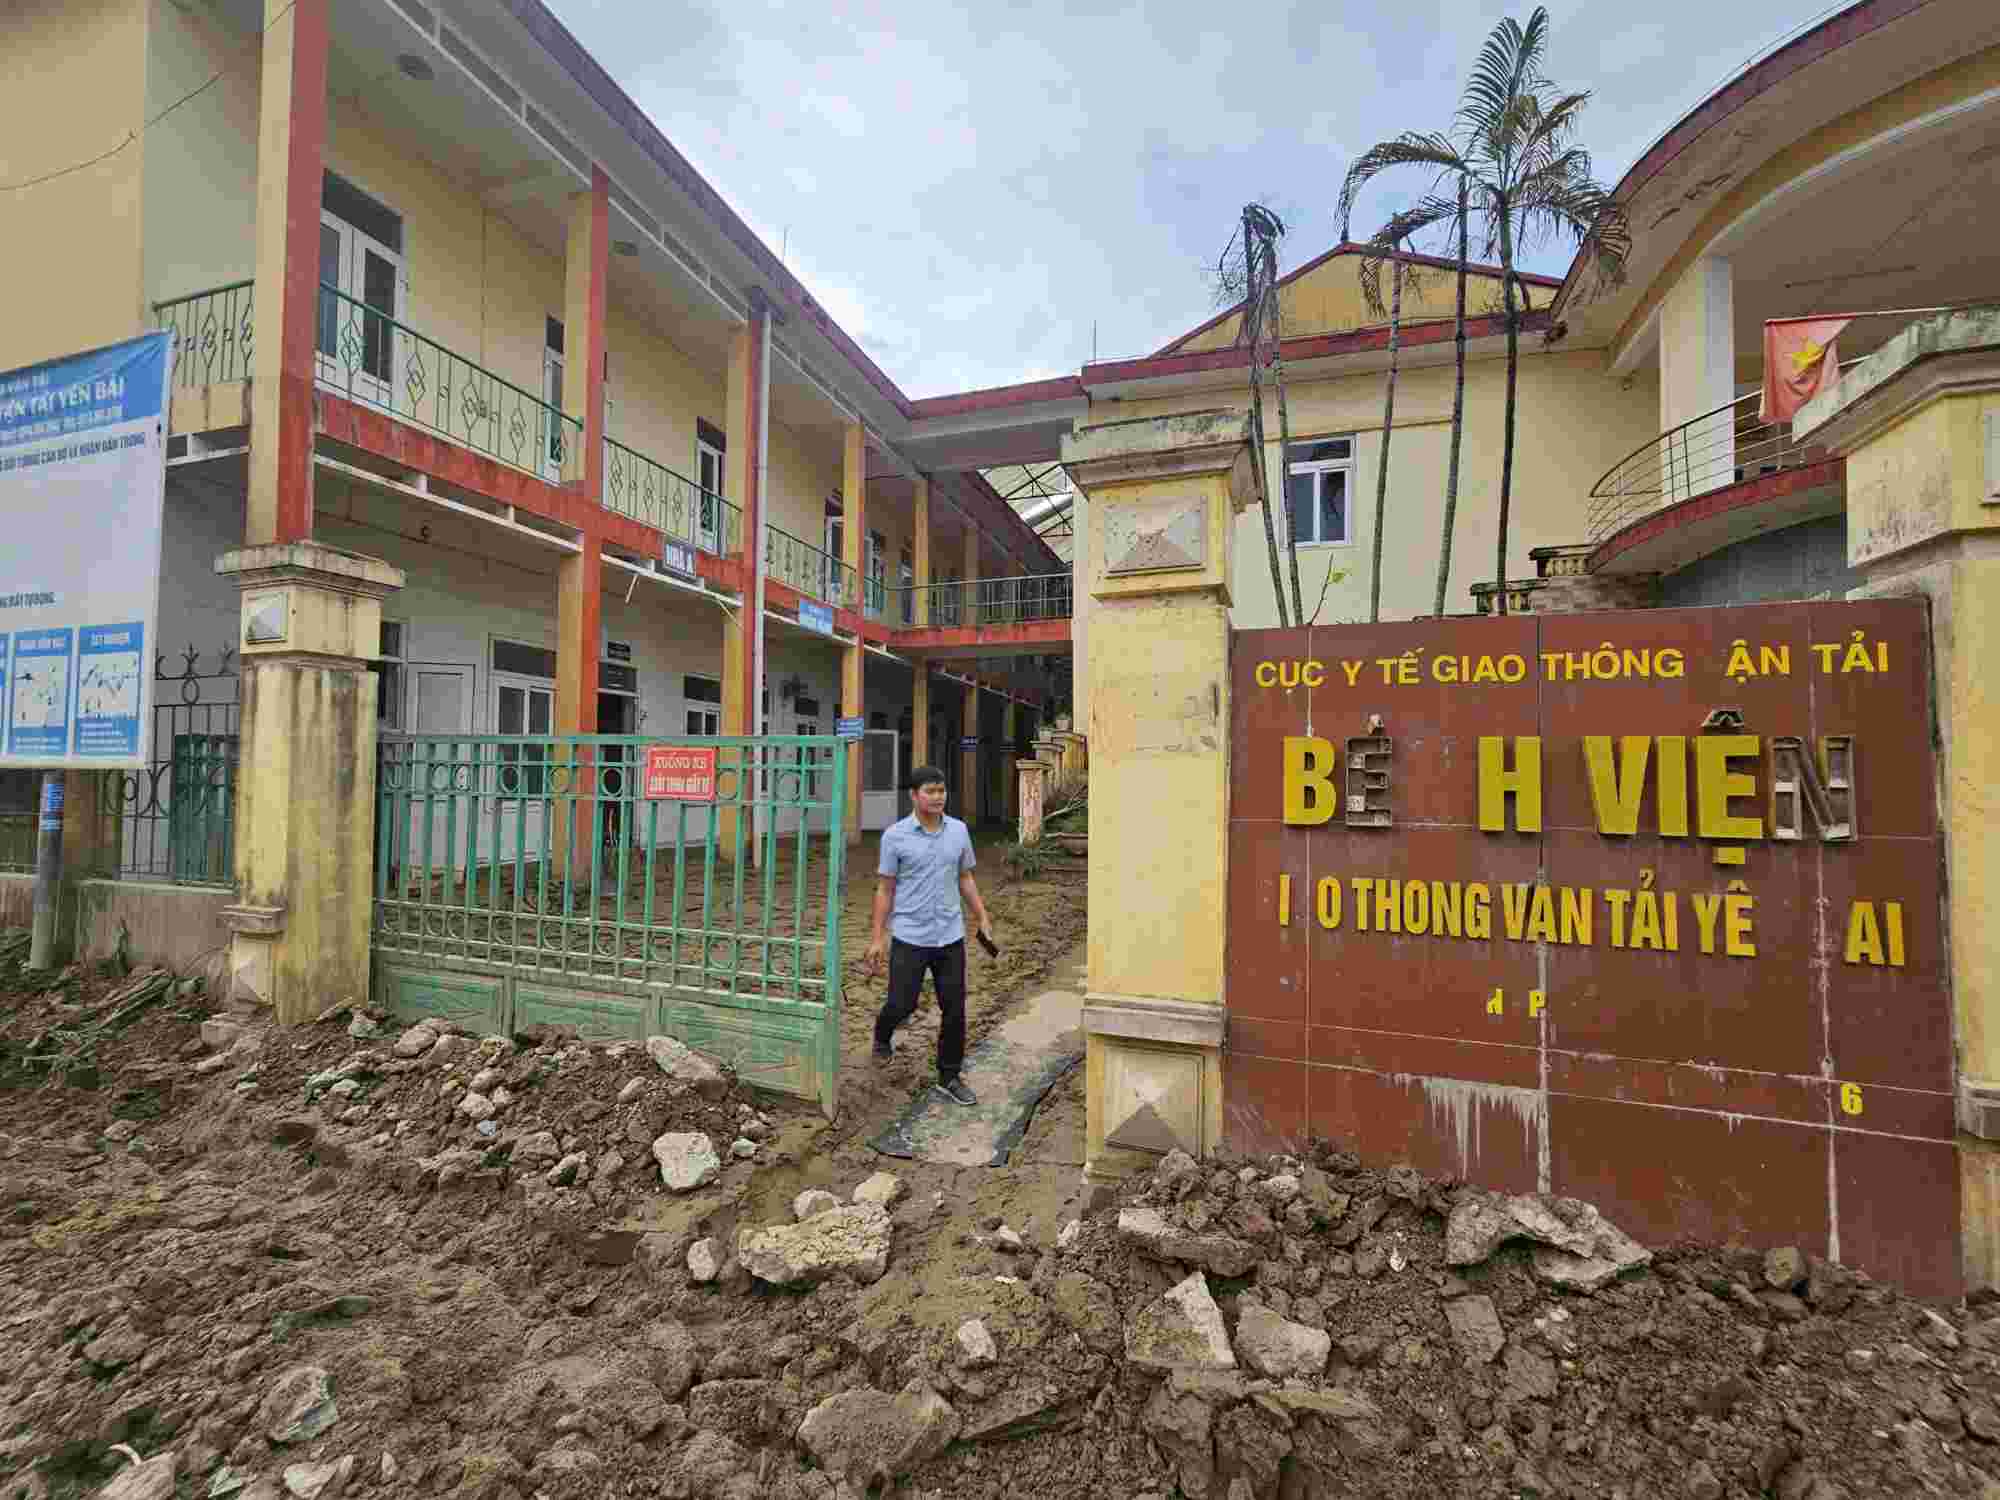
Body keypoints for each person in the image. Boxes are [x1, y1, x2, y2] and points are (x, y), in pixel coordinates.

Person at [861, 765, 993, 1106]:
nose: (938, 797)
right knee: (901, 1003)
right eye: (930, 791)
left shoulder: (959, 831)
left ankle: (949, 1075)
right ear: (914, 795)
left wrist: (981, 915)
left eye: (942, 791)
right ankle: (882, 1034)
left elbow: (964, 877)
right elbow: (885, 889)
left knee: (955, 1009)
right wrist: (878, 937)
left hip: (950, 936)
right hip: (910, 935)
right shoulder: (895, 836)